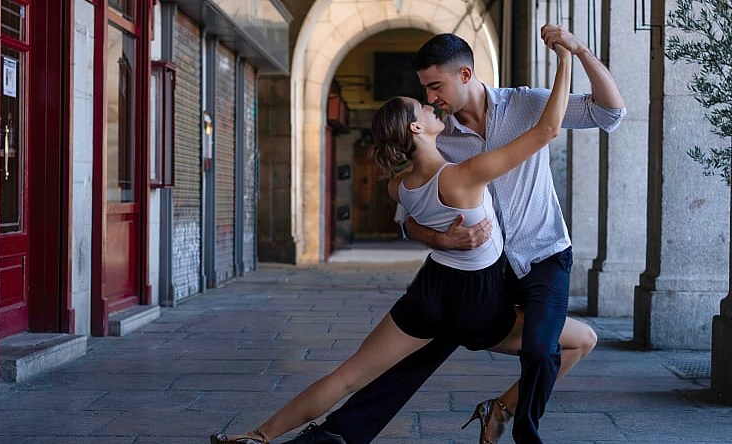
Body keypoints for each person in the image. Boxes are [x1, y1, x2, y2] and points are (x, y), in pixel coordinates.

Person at [210, 40, 580, 444]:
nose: (432, 105)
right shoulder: (466, 175)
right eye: (422, 107)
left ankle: (258, 435)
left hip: (430, 291)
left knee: (349, 375)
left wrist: (440, 238)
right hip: (477, 302)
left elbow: (410, 222)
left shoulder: (398, 186)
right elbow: (547, 129)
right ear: (417, 129)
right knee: (580, 341)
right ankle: (507, 411)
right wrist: (565, 58)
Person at [286, 25, 626, 444]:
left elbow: (609, 112)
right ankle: (339, 434)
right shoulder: (436, 136)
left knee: (542, 349)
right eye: (425, 90)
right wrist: (440, 240)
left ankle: (510, 417)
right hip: (480, 271)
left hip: (543, 254)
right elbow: (405, 215)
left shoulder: (526, 104)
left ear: (465, 74)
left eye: (435, 86)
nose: (431, 98)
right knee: (419, 350)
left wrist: (580, 51)